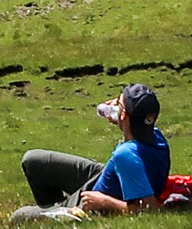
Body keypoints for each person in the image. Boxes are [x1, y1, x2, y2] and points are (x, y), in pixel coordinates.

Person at [14, 83, 171, 219]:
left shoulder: (126, 155)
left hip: (93, 205)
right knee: (33, 160)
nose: (113, 104)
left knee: (19, 216)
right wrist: (121, 118)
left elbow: (150, 210)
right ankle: (54, 210)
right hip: (103, 178)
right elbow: (135, 131)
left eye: (118, 103)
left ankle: (63, 215)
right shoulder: (156, 136)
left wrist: (105, 202)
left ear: (123, 114)